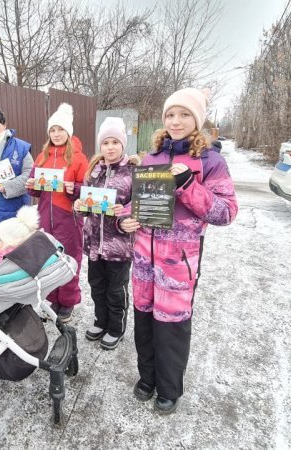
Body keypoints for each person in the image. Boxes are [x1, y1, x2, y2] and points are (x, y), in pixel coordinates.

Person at [119, 88, 238, 414]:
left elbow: (225, 212)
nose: (176, 121)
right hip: (143, 257)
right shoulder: (152, 156)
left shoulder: (210, 161)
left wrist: (188, 185)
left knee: (170, 324)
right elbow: (137, 204)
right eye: (171, 114)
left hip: (178, 261)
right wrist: (126, 219)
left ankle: (169, 389)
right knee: (143, 320)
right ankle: (147, 378)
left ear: (197, 120)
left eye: (185, 114)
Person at [74, 117, 139, 350]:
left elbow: (137, 209)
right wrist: (78, 208)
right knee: (97, 286)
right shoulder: (94, 171)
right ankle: (101, 322)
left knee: (115, 290)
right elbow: (85, 205)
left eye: (115, 142)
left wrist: (123, 219)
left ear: (123, 144)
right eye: (105, 143)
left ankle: (115, 328)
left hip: (119, 246)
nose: (110, 147)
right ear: (100, 146)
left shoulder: (132, 172)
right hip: (94, 244)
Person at [26, 103, 89, 322]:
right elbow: (34, 189)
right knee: (48, 259)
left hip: (68, 217)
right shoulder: (42, 156)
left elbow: (88, 190)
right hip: (45, 215)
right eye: (52, 130)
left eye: (60, 129)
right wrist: (31, 184)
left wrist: (76, 190)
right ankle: (52, 297)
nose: (56, 134)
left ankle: (69, 301)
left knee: (69, 258)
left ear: (68, 132)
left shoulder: (79, 158)